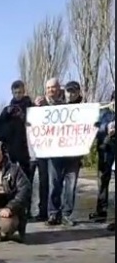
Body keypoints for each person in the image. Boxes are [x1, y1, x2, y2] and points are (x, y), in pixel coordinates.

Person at [46, 81, 83, 226]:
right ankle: (53, 213)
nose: (71, 94)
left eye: (74, 91)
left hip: (74, 156)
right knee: (54, 184)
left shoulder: (84, 109)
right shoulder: (55, 107)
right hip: (55, 155)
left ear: (78, 92)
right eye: (68, 91)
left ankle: (67, 214)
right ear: (64, 92)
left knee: (70, 187)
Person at [31, 77, 65, 222]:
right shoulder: (38, 104)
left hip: (56, 149)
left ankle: (54, 212)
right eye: (49, 88)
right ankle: (42, 211)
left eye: (53, 87)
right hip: (41, 149)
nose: (51, 90)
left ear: (59, 89)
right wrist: (36, 106)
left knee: (55, 181)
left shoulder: (64, 106)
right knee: (43, 181)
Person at [0, 80, 33, 178]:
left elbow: (36, 123)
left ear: (24, 91)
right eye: (15, 93)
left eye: (20, 92)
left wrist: (23, 117)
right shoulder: (8, 110)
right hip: (12, 150)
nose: (17, 95)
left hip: (28, 150)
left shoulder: (31, 107)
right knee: (11, 179)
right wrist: (6, 114)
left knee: (27, 178)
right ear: (12, 93)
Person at [89, 91, 115, 225]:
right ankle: (101, 211)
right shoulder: (104, 112)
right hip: (106, 149)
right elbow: (95, 127)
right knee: (103, 182)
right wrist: (106, 128)